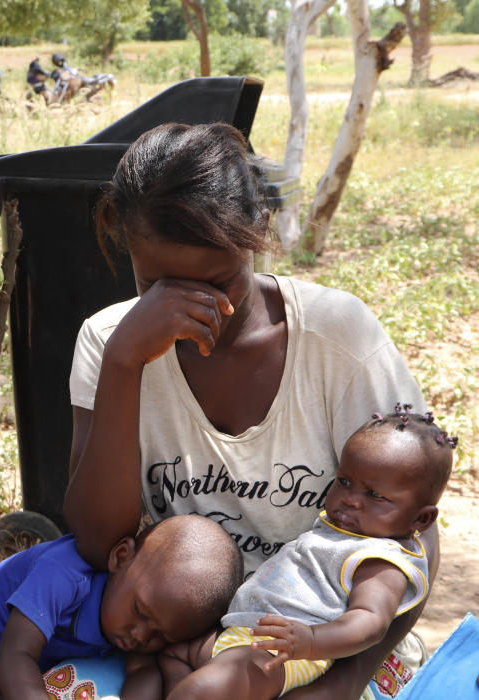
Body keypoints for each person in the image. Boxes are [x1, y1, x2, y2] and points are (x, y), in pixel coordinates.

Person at [63, 121, 430, 699]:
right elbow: (94, 539)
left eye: (217, 282)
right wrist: (124, 364)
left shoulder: (338, 339)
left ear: (256, 233)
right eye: (156, 285)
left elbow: (413, 535)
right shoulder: (109, 343)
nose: (190, 310)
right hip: (172, 645)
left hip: (330, 641)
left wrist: (344, 680)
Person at [163, 407, 456, 699]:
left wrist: (311, 640)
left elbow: (370, 622)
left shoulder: (380, 559)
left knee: (207, 688)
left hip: (287, 654)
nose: (350, 500)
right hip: (241, 635)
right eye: (344, 481)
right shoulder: (340, 530)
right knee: (170, 655)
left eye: (375, 495)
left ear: (421, 520)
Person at [0, 515, 244, 700]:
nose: (140, 635)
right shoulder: (64, 574)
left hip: (12, 680)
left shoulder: (137, 620)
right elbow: (15, 655)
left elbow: (144, 673)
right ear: (121, 557)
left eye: (160, 635)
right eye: (139, 612)